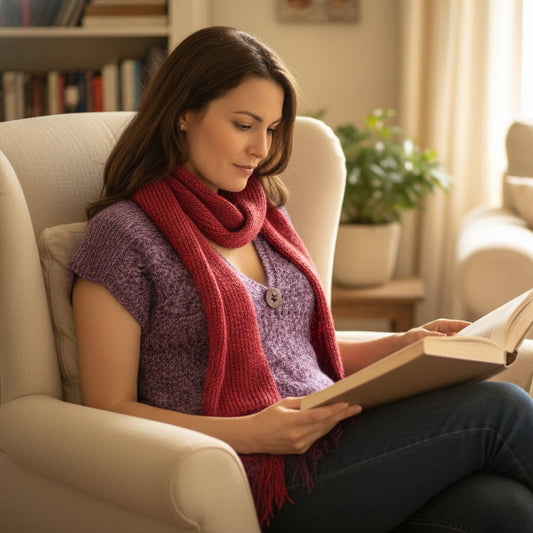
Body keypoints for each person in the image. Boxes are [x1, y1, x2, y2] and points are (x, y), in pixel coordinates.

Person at [69, 26, 533, 533]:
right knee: (502, 409)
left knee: (502, 507)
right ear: (184, 112)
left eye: (270, 129)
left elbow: (296, 349)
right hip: (260, 474)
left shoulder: (263, 215)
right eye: (244, 125)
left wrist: (404, 346)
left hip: (337, 438)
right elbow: (108, 407)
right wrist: (249, 433)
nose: (259, 150)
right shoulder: (122, 237)